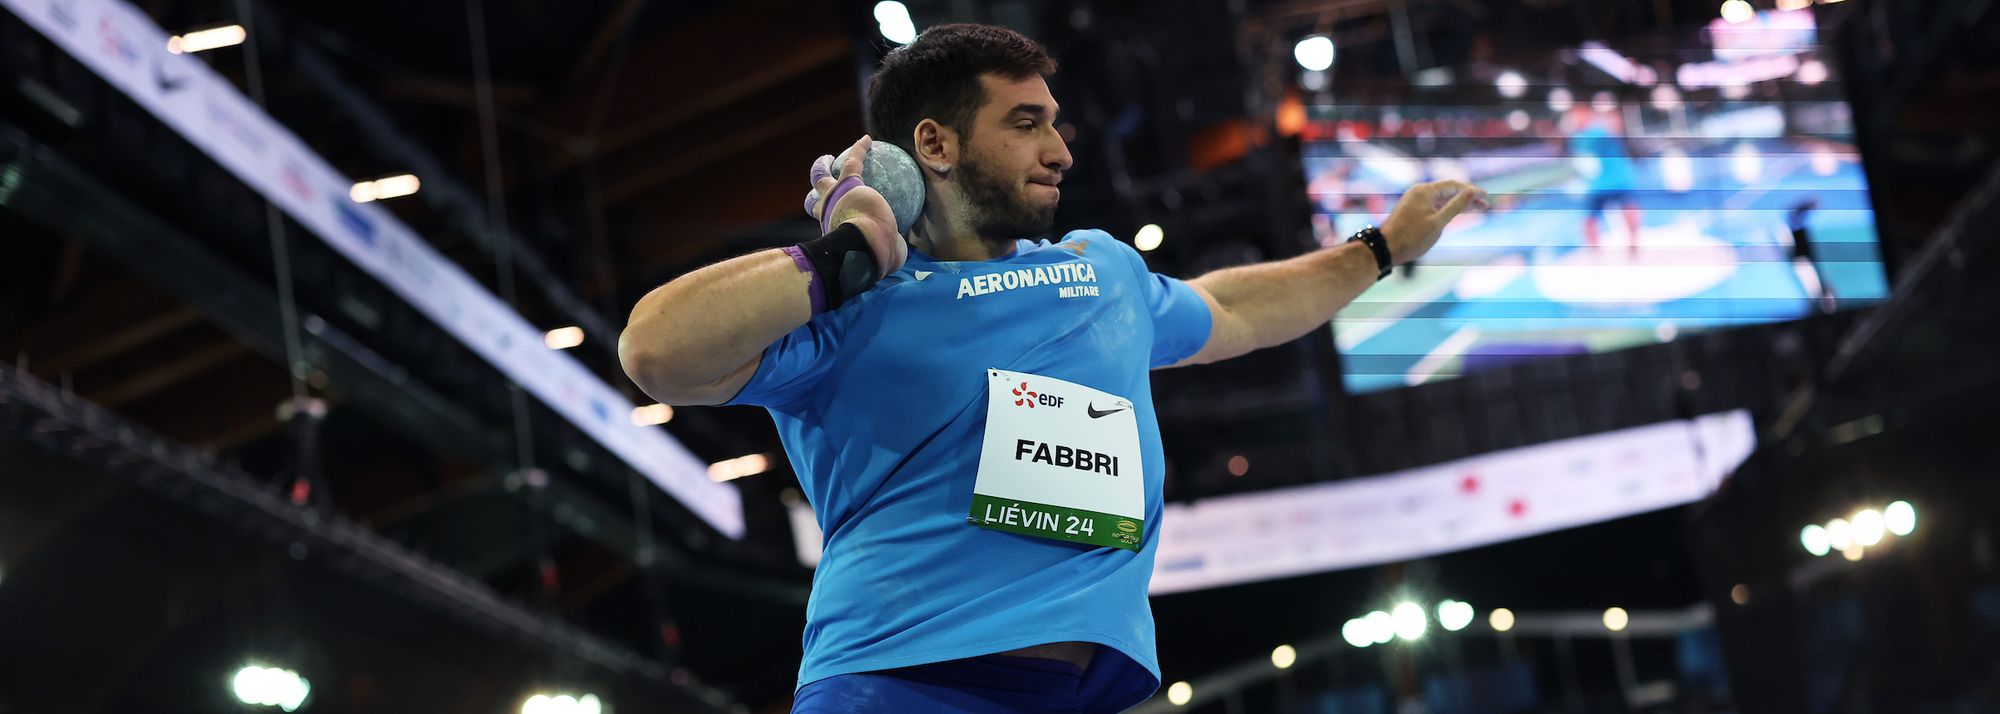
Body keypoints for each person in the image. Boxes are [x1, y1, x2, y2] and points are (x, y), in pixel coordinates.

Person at [619, 24, 1485, 713]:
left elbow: (1241, 309)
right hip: (898, 683)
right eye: (1025, 123)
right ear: (936, 143)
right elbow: (654, 350)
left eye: (1056, 124)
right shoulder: (856, 304)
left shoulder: (1101, 268)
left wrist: (1381, 247)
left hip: (1078, 694)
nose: (1061, 150)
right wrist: (846, 252)